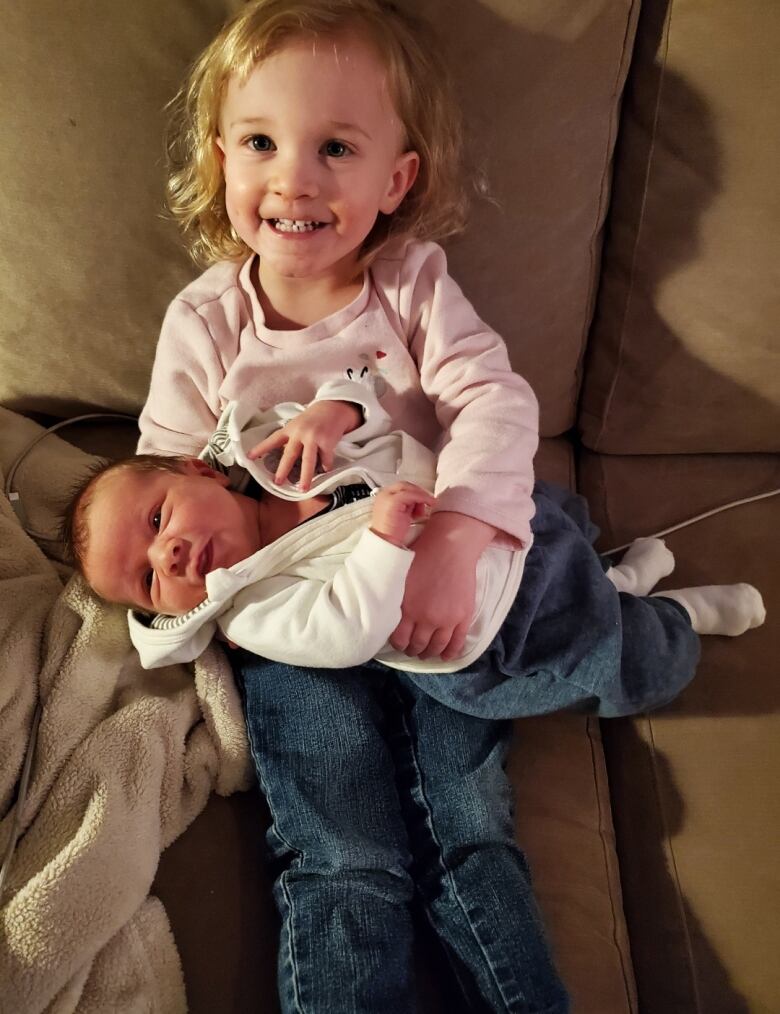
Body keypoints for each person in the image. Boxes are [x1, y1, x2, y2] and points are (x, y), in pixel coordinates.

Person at [124, 1, 745, 1009]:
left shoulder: (409, 287)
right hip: (296, 624)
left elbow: (493, 402)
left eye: (336, 147)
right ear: (221, 157)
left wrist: (464, 526)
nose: (294, 178)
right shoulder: (207, 318)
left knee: (469, 824)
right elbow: (164, 473)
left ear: (396, 179)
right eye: (261, 142)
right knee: (340, 852)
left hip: (430, 588)